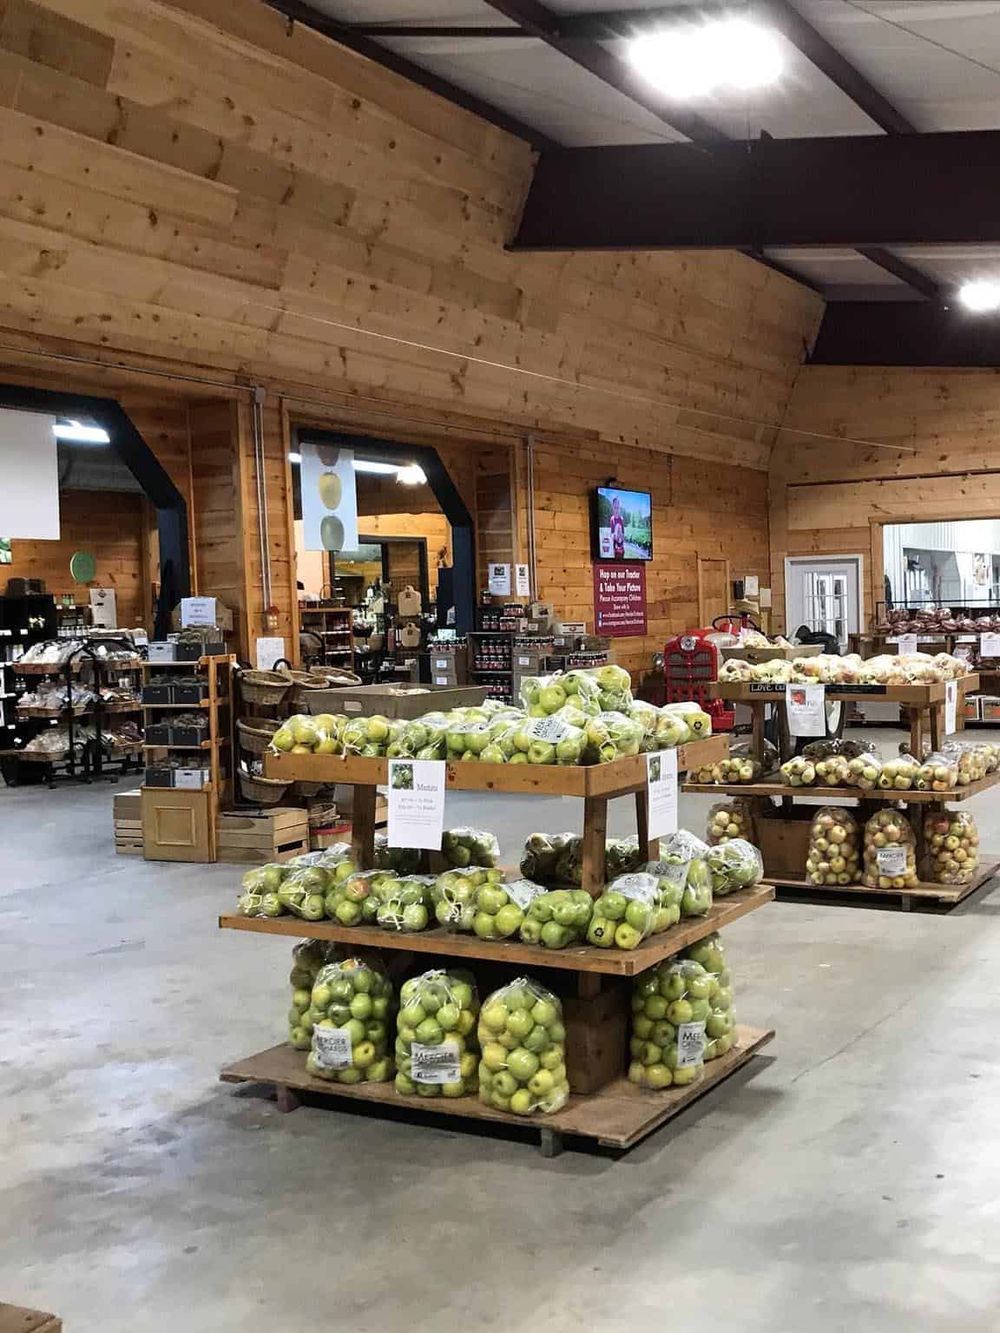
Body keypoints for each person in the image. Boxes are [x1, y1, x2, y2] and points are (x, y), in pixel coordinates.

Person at [610, 495, 626, 559]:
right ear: (613, 507)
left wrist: (621, 537)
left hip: (621, 546)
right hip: (615, 545)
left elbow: (623, 532)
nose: (616, 508)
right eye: (615, 507)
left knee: (622, 559)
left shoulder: (621, 519)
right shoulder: (612, 519)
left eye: (618, 505)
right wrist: (614, 536)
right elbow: (611, 532)